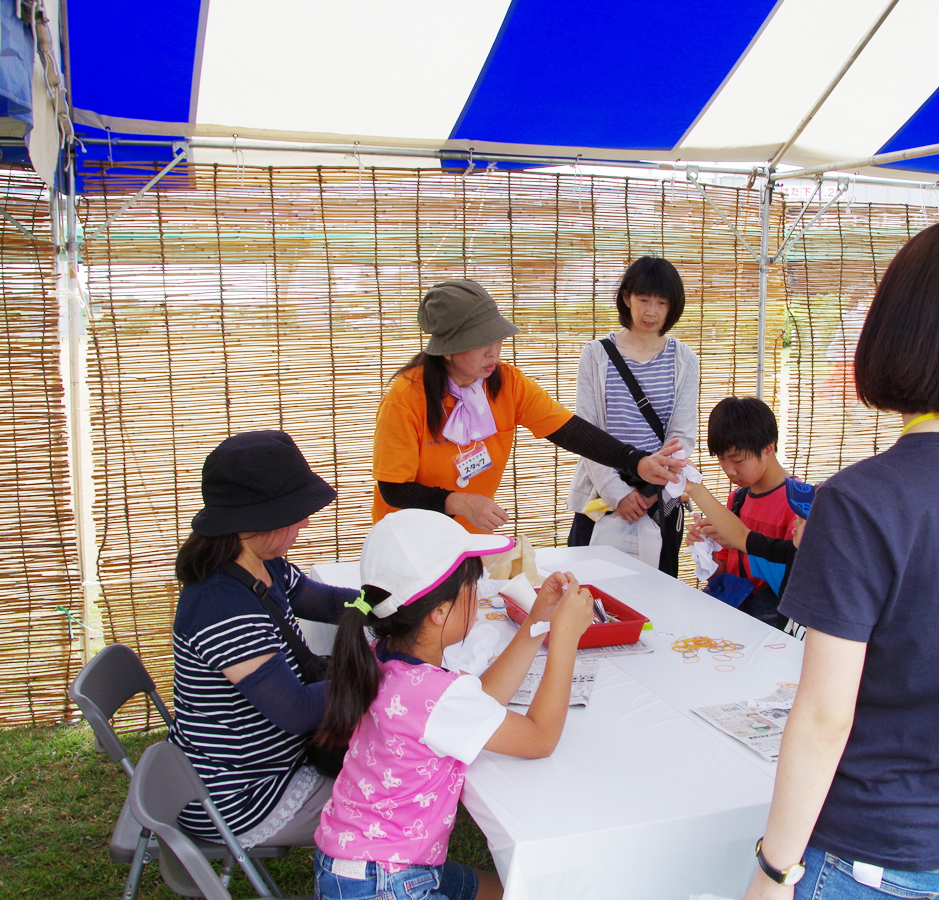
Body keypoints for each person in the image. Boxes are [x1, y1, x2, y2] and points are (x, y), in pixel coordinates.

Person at [743, 219, 939, 900]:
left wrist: (773, 871)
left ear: (897, 333)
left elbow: (825, 715)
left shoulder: (859, 500)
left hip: (873, 851)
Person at [313, 508, 595, 900]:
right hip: (386, 882)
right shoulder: (434, 694)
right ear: (438, 613)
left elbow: (480, 702)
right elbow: (540, 738)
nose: (479, 597)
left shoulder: (385, 657)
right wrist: (565, 639)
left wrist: (539, 621)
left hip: (363, 864)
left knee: (514, 891)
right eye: (472, 588)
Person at [372, 279, 683, 533]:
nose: (494, 351)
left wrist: (636, 460)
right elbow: (394, 489)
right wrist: (460, 502)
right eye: (481, 342)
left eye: (497, 339)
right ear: (448, 351)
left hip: (470, 540)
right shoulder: (407, 398)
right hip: (408, 539)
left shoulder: (506, 382)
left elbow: (570, 431)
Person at [170, 430, 359, 847]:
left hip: (272, 762)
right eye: (295, 513)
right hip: (239, 796)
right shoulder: (220, 605)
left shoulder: (259, 562)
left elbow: (322, 600)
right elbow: (296, 710)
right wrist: (378, 671)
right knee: (403, 792)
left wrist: (383, 607)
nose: (306, 521)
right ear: (255, 519)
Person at [565, 256, 700, 575]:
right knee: (586, 592)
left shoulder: (684, 360)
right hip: (601, 499)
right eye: (643, 299)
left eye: (661, 302)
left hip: (660, 500)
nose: (651, 311)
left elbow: (682, 435)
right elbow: (587, 433)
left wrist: (650, 492)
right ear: (627, 298)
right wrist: (618, 493)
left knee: (657, 600)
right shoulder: (596, 355)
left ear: (672, 307)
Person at [685, 397, 812, 629]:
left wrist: (738, 541)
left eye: (738, 460)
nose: (729, 470)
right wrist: (705, 549)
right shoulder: (738, 498)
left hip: (769, 626)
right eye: (722, 459)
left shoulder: (797, 506)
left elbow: (793, 584)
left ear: (768, 448)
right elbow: (723, 573)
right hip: (734, 620)